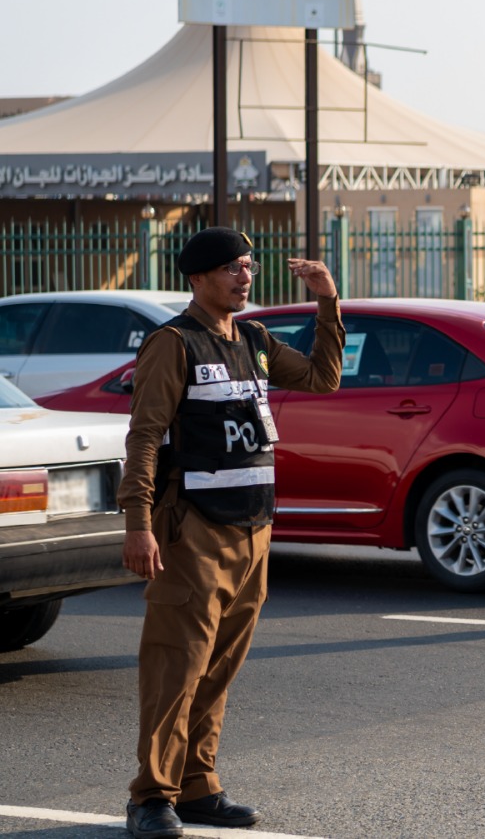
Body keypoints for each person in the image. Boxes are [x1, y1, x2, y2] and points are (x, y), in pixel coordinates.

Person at [119, 228, 344, 839]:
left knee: (219, 667)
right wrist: (139, 524)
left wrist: (327, 302)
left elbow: (324, 378)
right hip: (193, 532)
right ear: (197, 278)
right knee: (177, 667)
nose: (245, 277)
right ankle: (151, 796)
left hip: (254, 530)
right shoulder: (173, 343)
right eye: (231, 268)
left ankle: (197, 786)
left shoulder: (254, 339)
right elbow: (144, 437)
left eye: (248, 266)